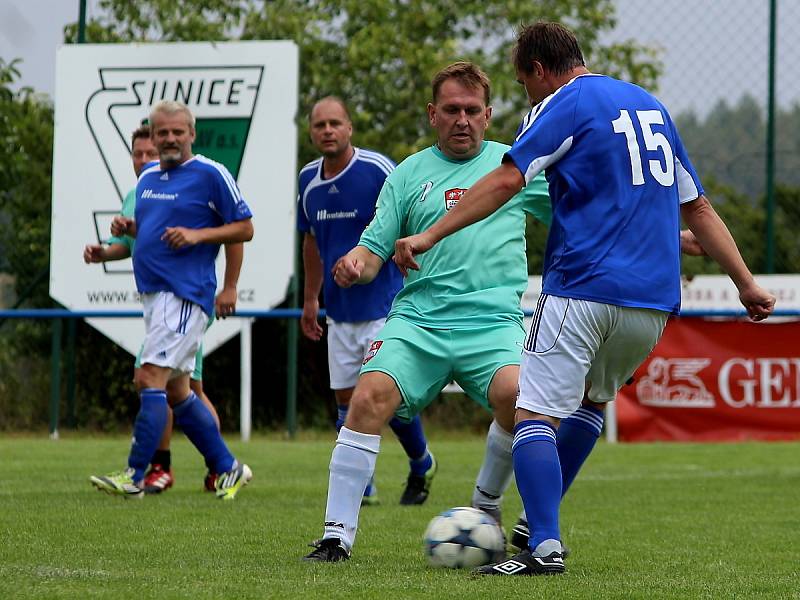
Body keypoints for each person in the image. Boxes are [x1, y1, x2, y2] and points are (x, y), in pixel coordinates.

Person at [394, 22, 776, 576]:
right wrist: (745, 281)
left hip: (583, 288)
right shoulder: (650, 108)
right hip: (651, 303)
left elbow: (507, 179)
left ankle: (543, 547)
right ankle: (534, 526)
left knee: (533, 414)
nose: (528, 95)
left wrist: (430, 234)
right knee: (591, 405)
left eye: (526, 83)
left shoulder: (563, 103)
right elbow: (697, 208)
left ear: (540, 71)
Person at [303, 62, 552, 562]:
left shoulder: (515, 166)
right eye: (452, 110)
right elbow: (372, 253)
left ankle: (486, 503)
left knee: (519, 398)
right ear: (432, 114)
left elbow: (583, 217)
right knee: (366, 398)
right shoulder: (408, 173)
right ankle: (336, 536)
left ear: (489, 114)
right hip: (418, 323)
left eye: (472, 110)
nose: (462, 119)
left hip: (492, 324)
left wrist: (668, 238)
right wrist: (354, 264)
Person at [89, 99, 255, 500]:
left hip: (184, 295)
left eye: (177, 132)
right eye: (161, 132)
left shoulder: (211, 173)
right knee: (179, 391)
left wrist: (202, 242)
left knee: (148, 377)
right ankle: (227, 468)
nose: (169, 139)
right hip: (155, 296)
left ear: (191, 134)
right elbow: (148, 229)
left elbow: (244, 228)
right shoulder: (148, 179)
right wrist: (128, 229)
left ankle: (136, 474)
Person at [298, 96, 436, 506]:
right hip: (340, 313)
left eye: (335, 123)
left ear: (349, 128)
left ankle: (420, 461)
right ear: (312, 132)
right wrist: (310, 298)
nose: (328, 130)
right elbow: (309, 240)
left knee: (384, 399)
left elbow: (410, 220)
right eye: (320, 124)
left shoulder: (377, 170)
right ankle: (367, 482)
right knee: (345, 399)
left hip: (385, 306)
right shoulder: (307, 179)